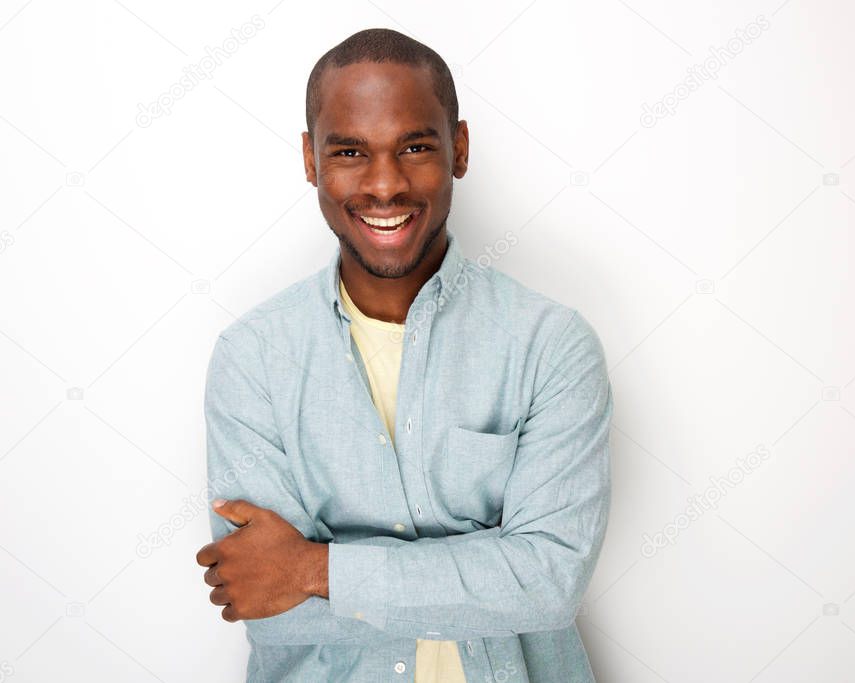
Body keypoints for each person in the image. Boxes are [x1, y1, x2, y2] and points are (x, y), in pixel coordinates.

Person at [195, 27, 613, 683]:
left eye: (414, 146)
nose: (385, 185)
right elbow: (267, 606)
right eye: (350, 152)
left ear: (460, 149)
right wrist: (486, 570)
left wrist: (312, 567)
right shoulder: (253, 357)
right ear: (310, 159)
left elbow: (548, 583)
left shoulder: (548, 343)